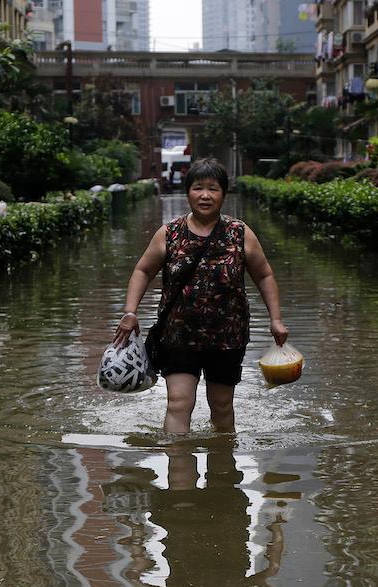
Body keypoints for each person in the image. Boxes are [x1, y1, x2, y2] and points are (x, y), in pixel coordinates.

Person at [113, 157, 288, 433]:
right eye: (198, 188)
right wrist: (130, 312)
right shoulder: (169, 233)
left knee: (221, 406)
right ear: (187, 193)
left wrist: (275, 319)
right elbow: (142, 271)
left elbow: (264, 274)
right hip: (178, 335)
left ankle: (222, 469)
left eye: (213, 188)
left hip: (227, 336)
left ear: (224, 194)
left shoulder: (240, 233)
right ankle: (178, 466)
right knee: (179, 403)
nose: (205, 195)